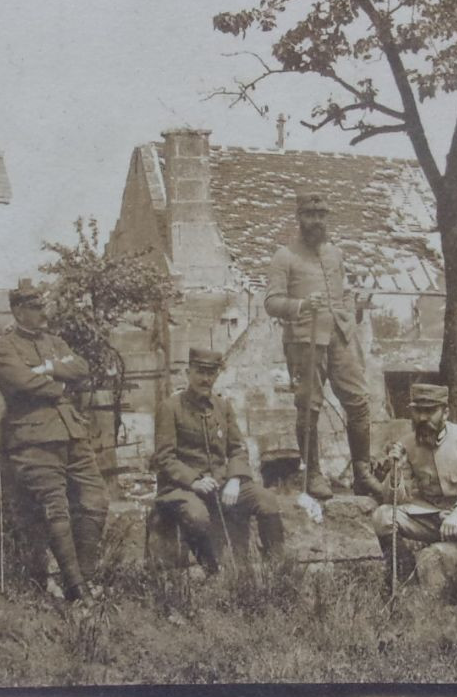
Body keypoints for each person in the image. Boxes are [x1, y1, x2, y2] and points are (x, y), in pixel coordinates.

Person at [0, 280, 108, 602]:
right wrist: (59, 385)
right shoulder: (5, 347)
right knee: (56, 510)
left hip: (73, 433)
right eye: (34, 308)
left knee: (96, 500)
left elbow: (82, 367)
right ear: (17, 311)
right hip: (34, 439)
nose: (43, 313)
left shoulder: (55, 342)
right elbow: (21, 382)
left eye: (43, 307)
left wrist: (48, 367)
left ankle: (86, 576)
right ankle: (77, 589)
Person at [264, 192, 374, 500]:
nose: (317, 221)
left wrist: (352, 312)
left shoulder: (335, 254)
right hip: (304, 340)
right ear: (299, 218)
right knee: (309, 407)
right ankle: (312, 473)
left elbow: (346, 290)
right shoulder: (284, 256)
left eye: (322, 215)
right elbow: (271, 303)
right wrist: (300, 305)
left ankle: (362, 473)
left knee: (359, 401)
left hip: (340, 337)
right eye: (311, 215)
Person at [151, 348, 285, 571]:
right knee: (197, 516)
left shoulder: (223, 407)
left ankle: (278, 570)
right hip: (181, 488)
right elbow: (164, 458)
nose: (206, 379)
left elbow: (237, 448)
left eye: (211, 374)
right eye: (200, 372)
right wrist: (194, 481)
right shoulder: (170, 408)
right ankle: (212, 572)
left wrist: (234, 479)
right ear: (188, 372)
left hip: (221, 483)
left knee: (267, 500)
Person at [369, 383, 457, 595]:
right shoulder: (406, 444)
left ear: (445, 412)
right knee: (382, 517)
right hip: (431, 519)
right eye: (418, 411)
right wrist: (395, 471)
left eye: (430, 411)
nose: (423, 418)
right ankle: (406, 588)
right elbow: (394, 500)